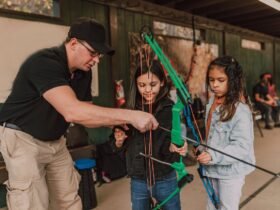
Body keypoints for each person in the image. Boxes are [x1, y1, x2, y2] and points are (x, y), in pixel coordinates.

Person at [0, 17, 158, 210]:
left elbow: (87, 117)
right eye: (93, 52)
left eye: (99, 55)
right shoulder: (44, 63)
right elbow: (72, 111)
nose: (97, 60)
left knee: (69, 199)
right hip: (22, 139)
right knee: (32, 204)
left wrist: (113, 122)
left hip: (55, 141)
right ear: (73, 43)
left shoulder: (84, 71)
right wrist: (131, 115)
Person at [111, 60, 187, 210]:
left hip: (165, 177)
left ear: (162, 82)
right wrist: (119, 142)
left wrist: (175, 147)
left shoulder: (170, 109)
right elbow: (119, 146)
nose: (147, 90)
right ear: (136, 84)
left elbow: (172, 146)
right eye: (141, 85)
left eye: (153, 85)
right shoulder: (130, 109)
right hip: (138, 179)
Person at [196, 56, 255, 210]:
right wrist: (203, 149)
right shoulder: (211, 103)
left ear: (233, 80)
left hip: (230, 173)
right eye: (211, 80)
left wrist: (212, 155)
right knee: (212, 207)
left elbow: (242, 147)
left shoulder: (240, 110)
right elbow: (212, 137)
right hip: (212, 168)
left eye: (220, 80)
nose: (214, 84)